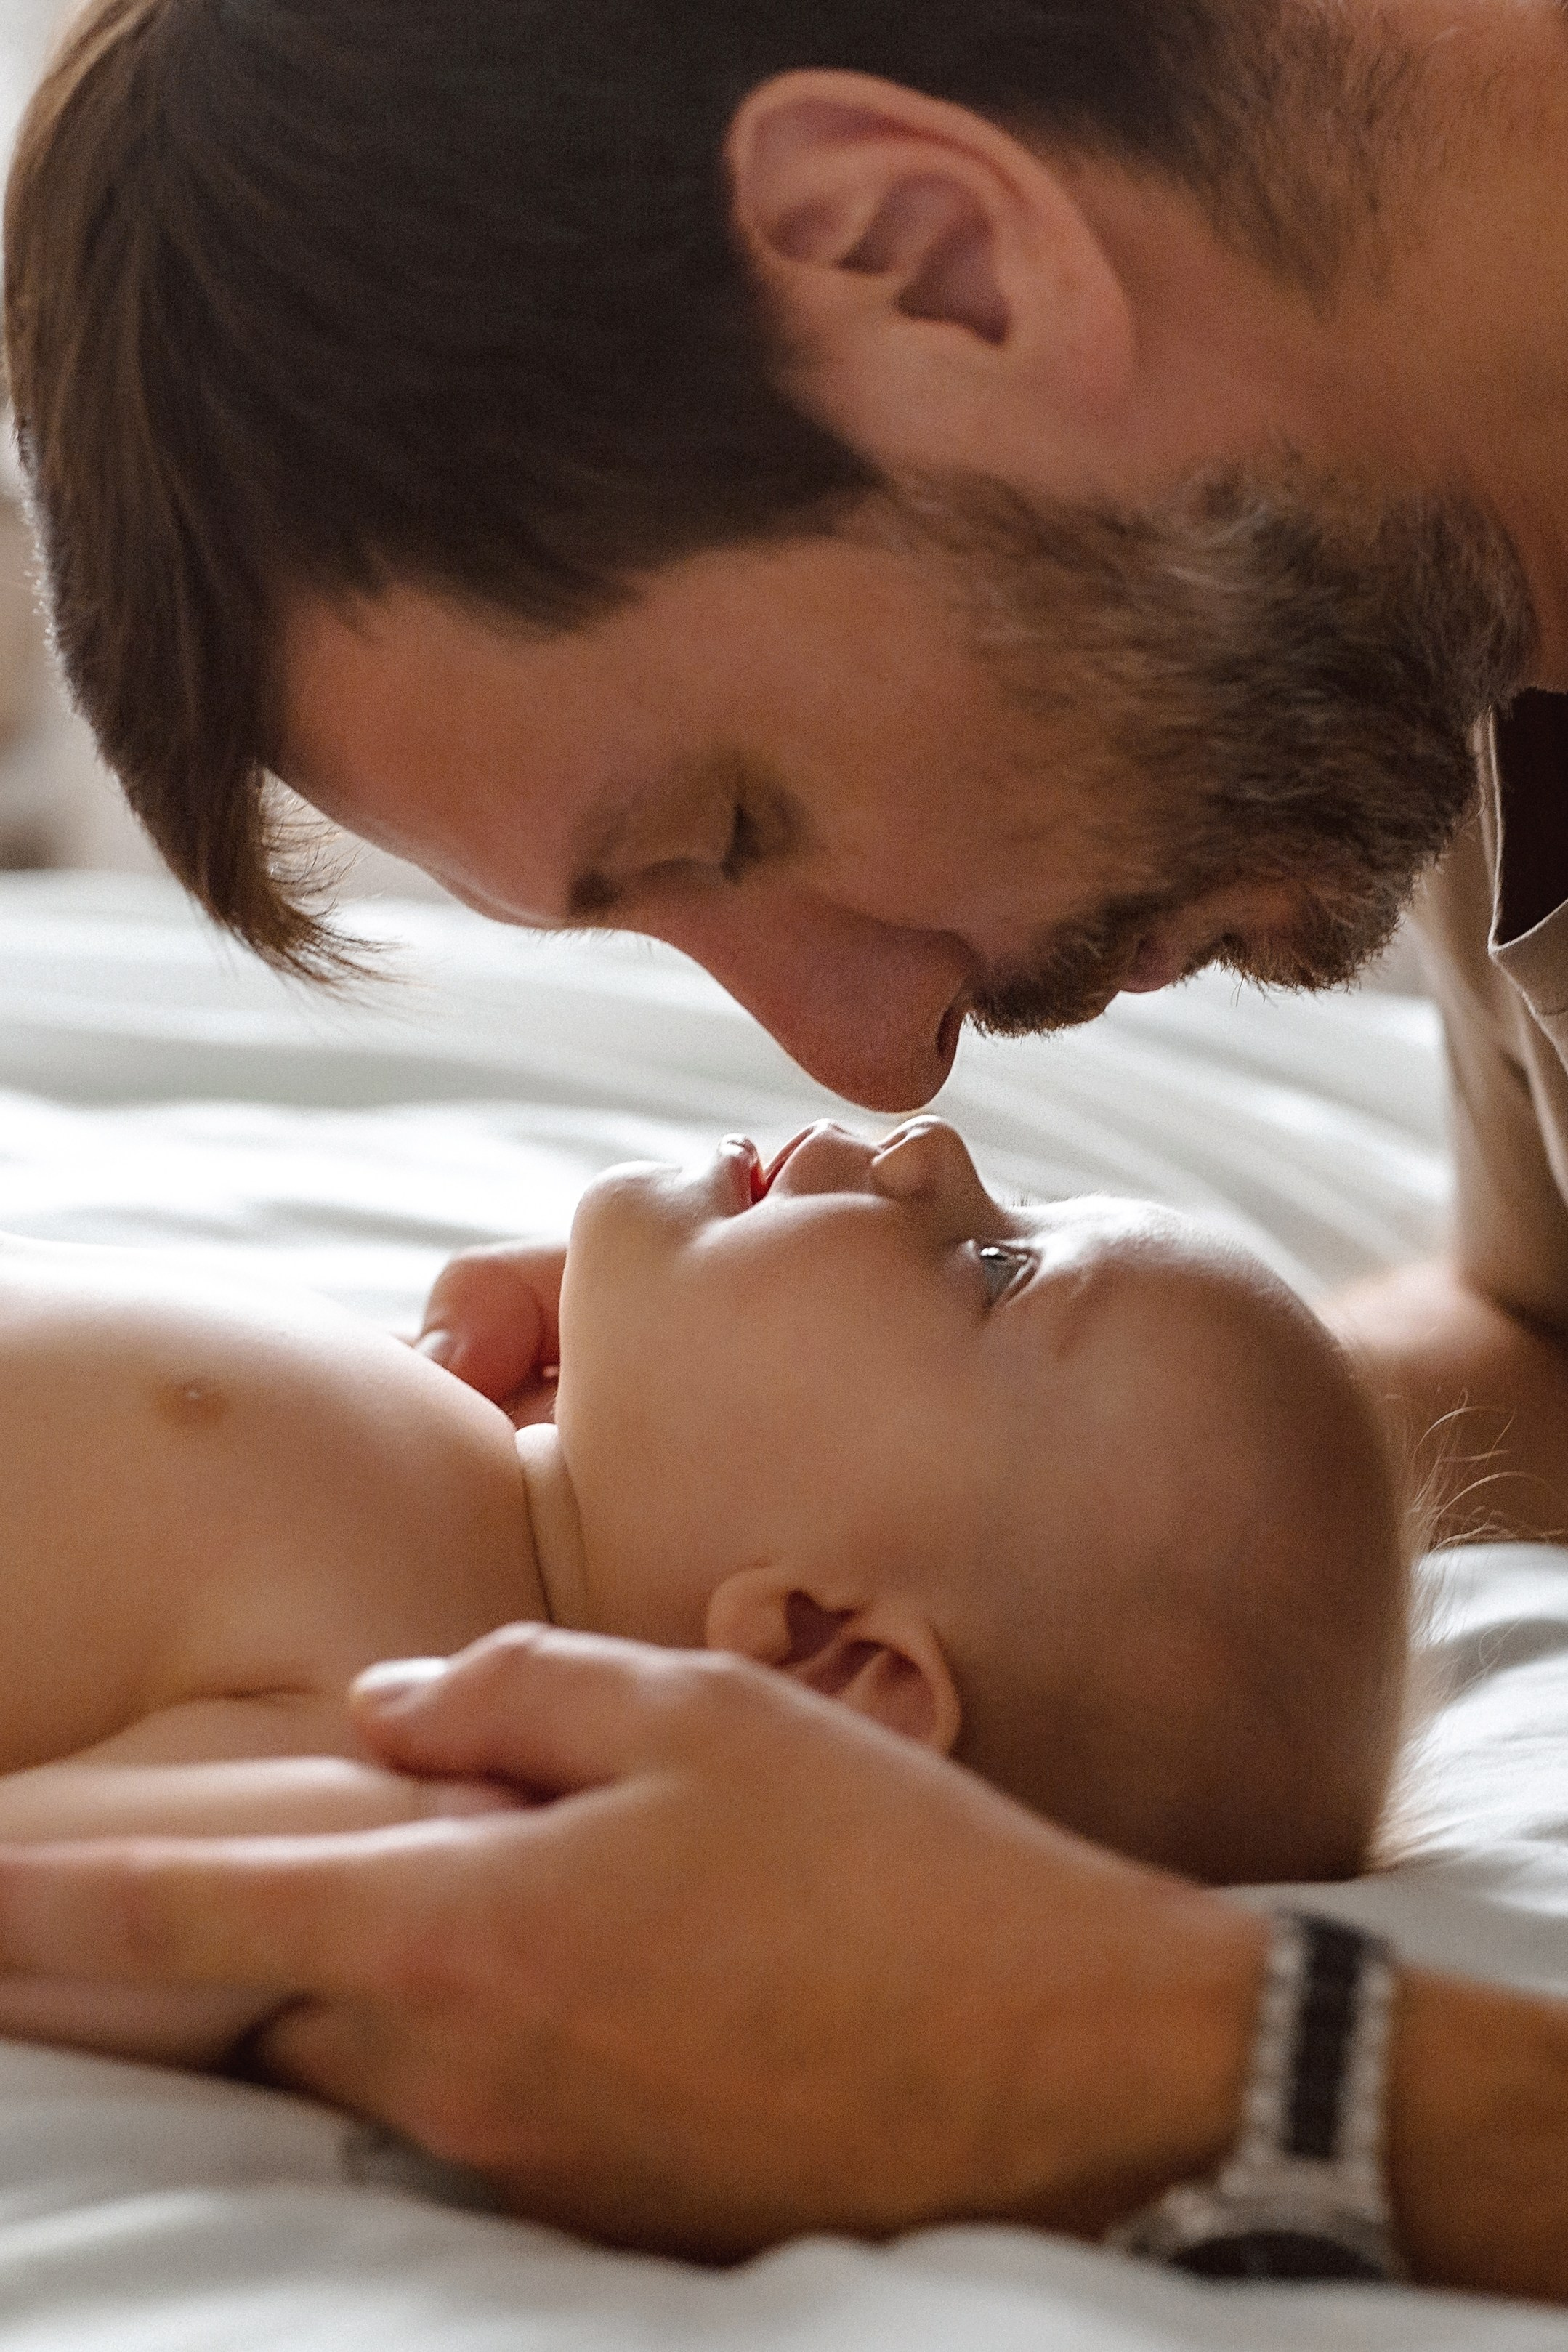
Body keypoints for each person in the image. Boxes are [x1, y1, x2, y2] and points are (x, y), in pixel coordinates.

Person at [4, 0, 1568, 2300]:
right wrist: (695, 1499)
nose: (873, 1063)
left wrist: (1175, 2063)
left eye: (728, 824)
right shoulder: (1424, 585)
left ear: (927, 257)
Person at [0, 1116, 1411, 2066]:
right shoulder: (472, 1469)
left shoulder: (408, 1723)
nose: (931, 1145)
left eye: (996, 1266)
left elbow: (102, 1905)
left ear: (827, 1654)